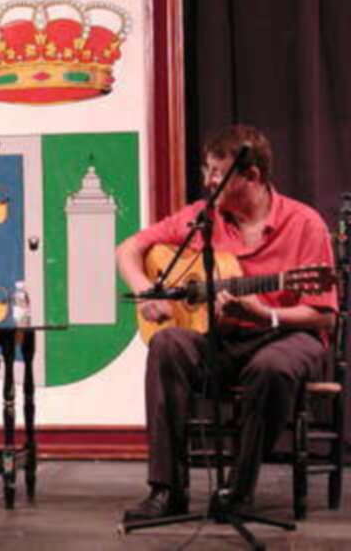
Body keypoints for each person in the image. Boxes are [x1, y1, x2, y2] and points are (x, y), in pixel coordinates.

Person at [116, 124, 337, 520]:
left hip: (287, 334)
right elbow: (130, 247)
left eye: (217, 173)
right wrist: (147, 291)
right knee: (167, 345)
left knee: (272, 367)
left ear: (251, 176)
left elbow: (321, 314)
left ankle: (238, 490)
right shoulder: (203, 218)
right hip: (222, 337)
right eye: (207, 170)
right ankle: (166, 490)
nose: (208, 181)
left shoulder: (305, 224)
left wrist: (263, 313)